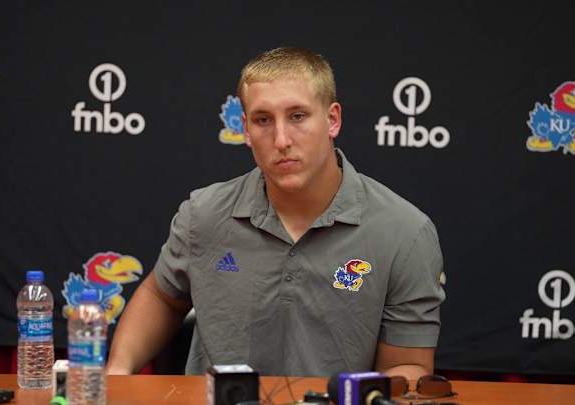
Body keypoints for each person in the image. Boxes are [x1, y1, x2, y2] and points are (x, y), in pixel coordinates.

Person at [107, 47, 445, 379]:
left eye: (297, 116)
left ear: (332, 120)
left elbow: (407, 367)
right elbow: (162, 296)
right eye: (263, 120)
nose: (281, 140)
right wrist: (118, 371)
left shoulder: (404, 232)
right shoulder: (203, 214)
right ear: (246, 130)